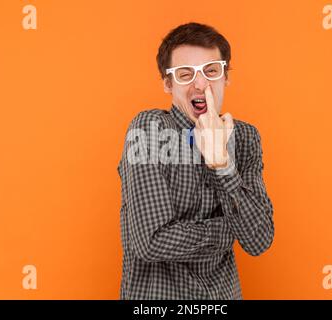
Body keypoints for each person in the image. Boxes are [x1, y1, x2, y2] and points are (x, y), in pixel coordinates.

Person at [117, 22, 274, 299]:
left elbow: (259, 238)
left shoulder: (247, 138)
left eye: (211, 71)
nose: (200, 84)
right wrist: (230, 231)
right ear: (168, 84)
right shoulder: (147, 130)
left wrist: (222, 163)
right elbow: (151, 241)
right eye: (185, 74)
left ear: (226, 77)